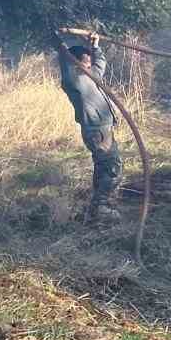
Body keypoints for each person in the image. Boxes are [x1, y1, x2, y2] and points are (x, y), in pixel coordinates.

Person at [58, 34, 123, 221]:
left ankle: (96, 209)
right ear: (75, 63)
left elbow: (100, 62)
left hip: (104, 130)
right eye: (85, 62)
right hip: (96, 131)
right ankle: (102, 207)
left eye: (89, 62)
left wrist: (95, 46)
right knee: (113, 167)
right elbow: (66, 63)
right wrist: (61, 48)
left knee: (103, 166)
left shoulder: (91, 76)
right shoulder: (74, 80)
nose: (88, 65)